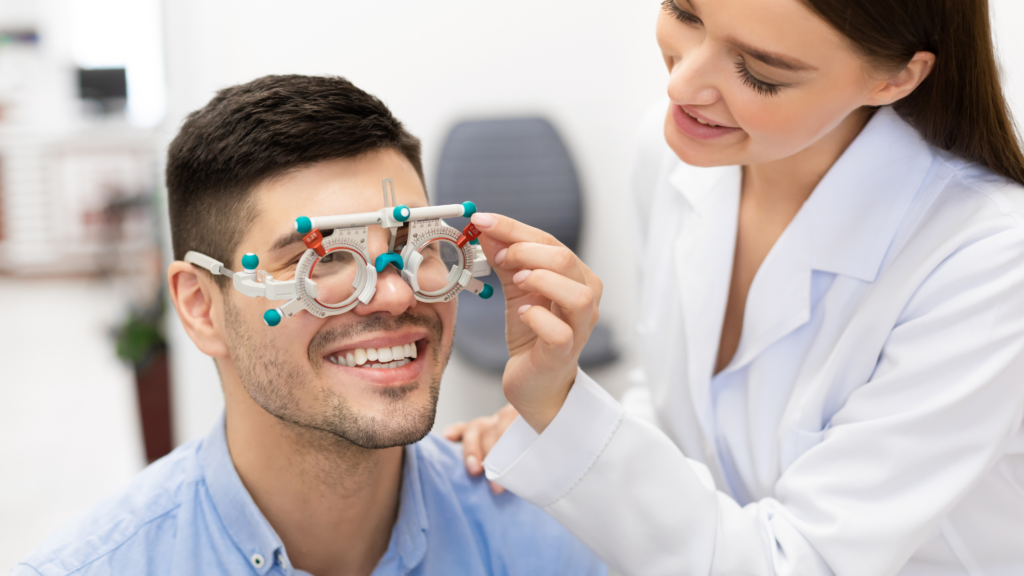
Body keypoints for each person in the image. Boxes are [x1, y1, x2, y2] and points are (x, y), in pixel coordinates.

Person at [447, 0, 1024, 574]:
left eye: (760, 72)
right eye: (684, 13)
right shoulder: (674, 151)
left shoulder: (988, 257)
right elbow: (676, 404)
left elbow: (799, 563)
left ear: (896, 77)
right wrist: (569, 433)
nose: (681, 85)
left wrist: (570, 424)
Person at [13, 75, 604, 576]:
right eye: (321, 259)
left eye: (417, 244)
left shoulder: (545, 538)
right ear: (200, 305)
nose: (396, 293)